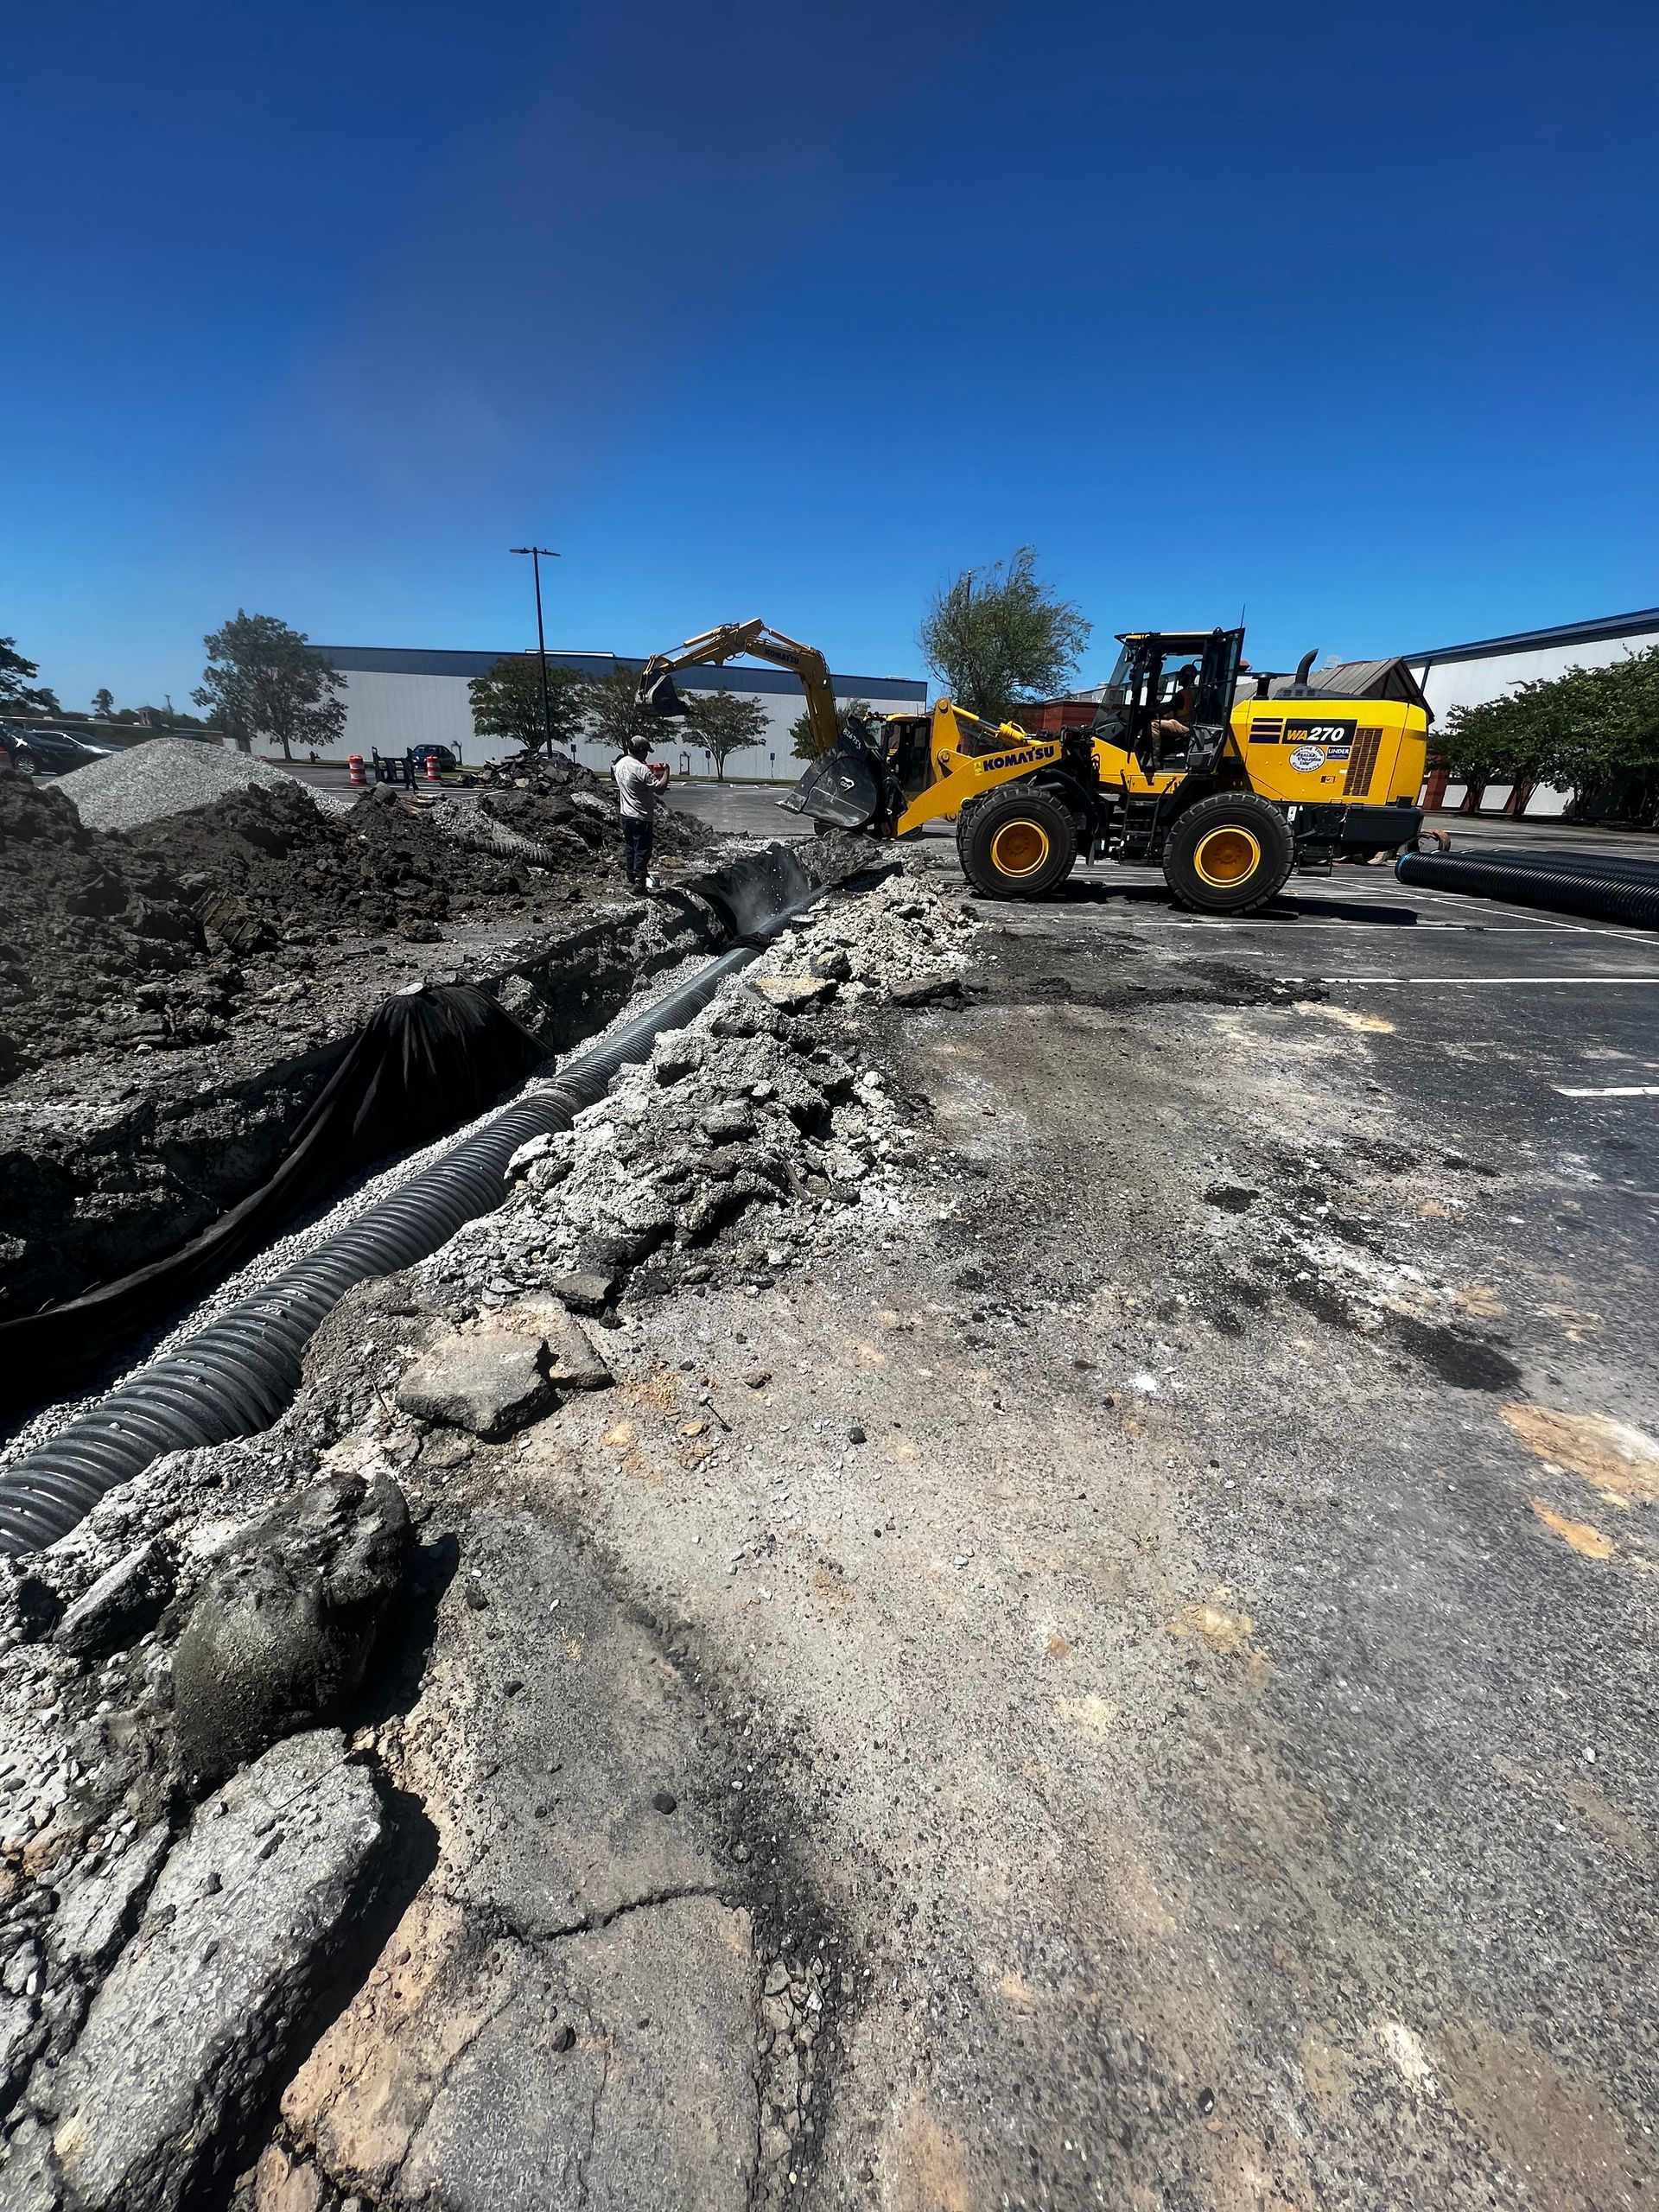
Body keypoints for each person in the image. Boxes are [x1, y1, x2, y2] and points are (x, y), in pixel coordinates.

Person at [612, 733, 669, 893]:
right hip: (641, 816)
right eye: (646, 751)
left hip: (625, 814)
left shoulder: (620, 763)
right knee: (643, 850)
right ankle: (639, 884)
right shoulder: (641, 769)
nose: (647, 755)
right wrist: (666, 772)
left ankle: (631, 878)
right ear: (641, 750)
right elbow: (660, 789)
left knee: (630, 847)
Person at [1149, 663, 1199, 758]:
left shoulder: (1182, 694)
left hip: (1185, 726)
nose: (1179, 678)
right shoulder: (1196, 691)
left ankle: (1154, 758)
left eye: (1181, 676)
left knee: (1153, 725)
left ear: (1187, 678)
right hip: (1192, 726)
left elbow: (1166, 708)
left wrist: (1152, 710)